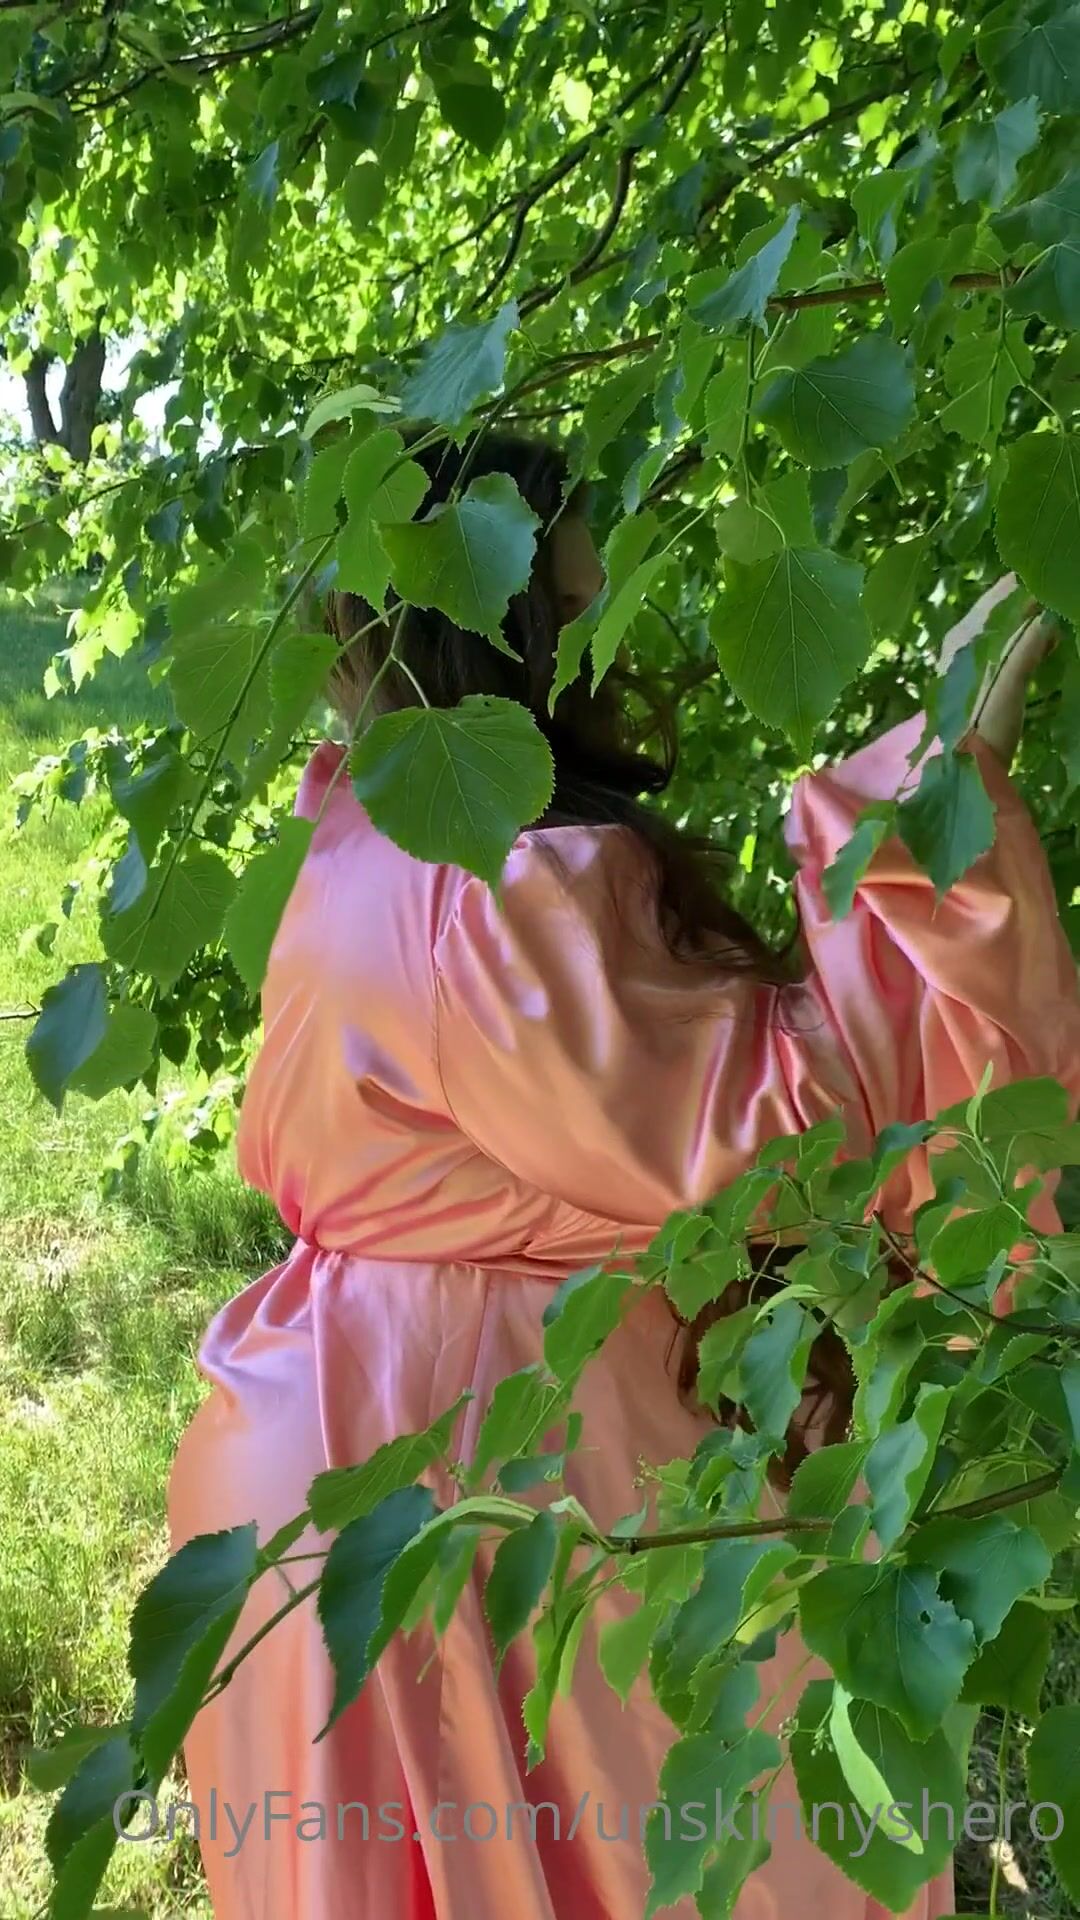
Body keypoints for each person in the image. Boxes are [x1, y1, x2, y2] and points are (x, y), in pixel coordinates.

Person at [167, 429, 1080, 1920]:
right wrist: (932, 798)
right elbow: (793, 1146)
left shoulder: (373, 831)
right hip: (472, 1460)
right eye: (577, 591)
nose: (613, 626)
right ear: (502, 616)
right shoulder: (493, 890)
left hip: (340, 1444)